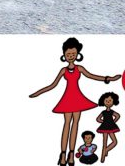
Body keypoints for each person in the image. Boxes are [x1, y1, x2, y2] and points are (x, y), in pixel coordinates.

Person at [29, 37, 121, 166]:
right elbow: (53, 85)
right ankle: (62, 154)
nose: (71, 56)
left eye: (73, 54)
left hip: (77, 98)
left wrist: (108, 78)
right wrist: (38, 92)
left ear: (77, 54)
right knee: (67, 125)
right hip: (67, 98)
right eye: (68, 54)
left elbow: (92, 76)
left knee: (75, 125)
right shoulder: (64, 70)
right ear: (64, 55)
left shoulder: (79, 68)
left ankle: (71, 154)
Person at [96, 92, 120, 162]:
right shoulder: (104, 112)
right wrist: (112, 122)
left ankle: (105, 151)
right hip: (107, 126)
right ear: (103, 101)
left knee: (112, 142)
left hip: (106, 126)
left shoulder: (110, 111)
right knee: (109, 142)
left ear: (113, 102)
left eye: (110, 101)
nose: (108, 102)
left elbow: (117, 116)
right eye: (106, 101)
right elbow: (98, 119)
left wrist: (113, 122)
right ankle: (103, 156)